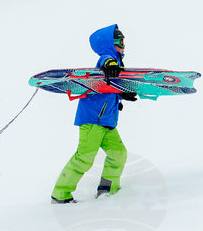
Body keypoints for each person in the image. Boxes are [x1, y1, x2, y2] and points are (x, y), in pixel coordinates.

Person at [51, 24, 138, 203]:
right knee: (85, 157)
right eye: (120, 42)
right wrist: (111, 65)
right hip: (92, 120)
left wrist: (122, 94)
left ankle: (107, 188)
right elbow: (105, 64)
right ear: (111, 44)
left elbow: (106, 87)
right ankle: (60, 194)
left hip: (106, 122)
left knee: (118, 154)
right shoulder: (108, 59)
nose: (123, 46)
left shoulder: (116, 65)